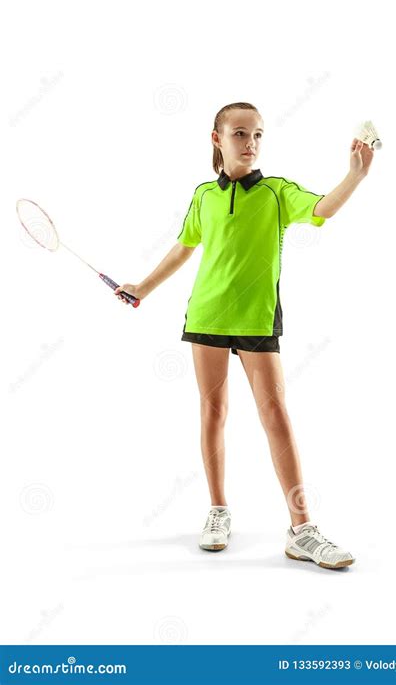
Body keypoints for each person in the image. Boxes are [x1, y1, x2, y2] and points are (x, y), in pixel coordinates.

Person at [115, 102, 375, 570]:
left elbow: (321, 208)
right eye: (239, 134)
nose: (250, 143)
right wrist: (143, 288)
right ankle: (217, 510)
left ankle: (302, 530)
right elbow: (184, 247)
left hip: (257, 320)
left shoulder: (276, 192)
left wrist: (354, 177)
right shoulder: (203, 196)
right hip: (207, 316)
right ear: (217, 139)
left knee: (274, 412)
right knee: (213, 411)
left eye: (257, 135)